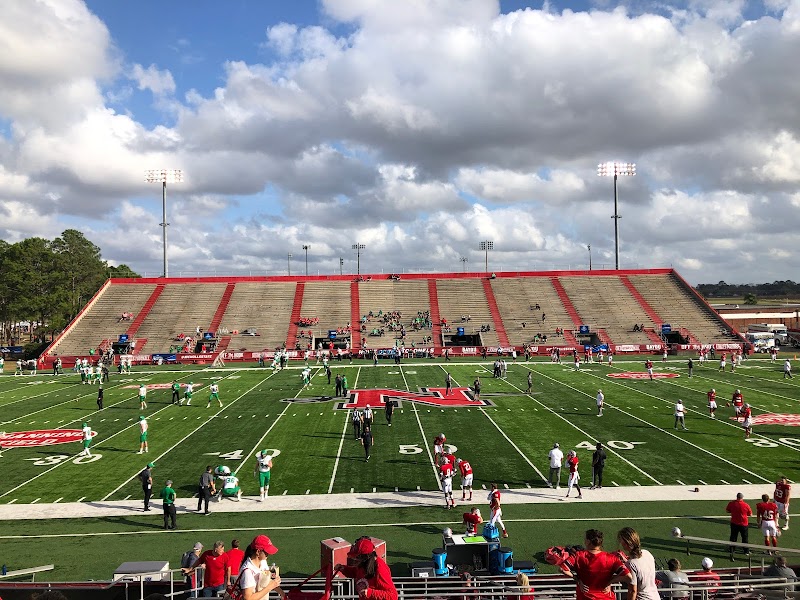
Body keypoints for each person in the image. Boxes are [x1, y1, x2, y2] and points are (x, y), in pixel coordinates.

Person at [559, 529, 633, 600]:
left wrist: (578, 579)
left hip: (585, 597)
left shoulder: (578, 556)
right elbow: (628, 577)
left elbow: (562, 569)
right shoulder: (611, 558)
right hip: (606, 597)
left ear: (588, 541)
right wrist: (611, 581)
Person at [235, 534, 283, 600]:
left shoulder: (263, 562)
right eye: (266, 552)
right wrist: (270, 586)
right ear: (258, 552)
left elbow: (267, 580)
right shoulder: (248, 572)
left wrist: (282, 594)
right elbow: (248, 598)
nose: (268, 554)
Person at [617, 527, 659, 600]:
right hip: (655, 596)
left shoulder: (631, 564)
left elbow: (633, 590)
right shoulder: (647, 553)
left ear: (626, 543)